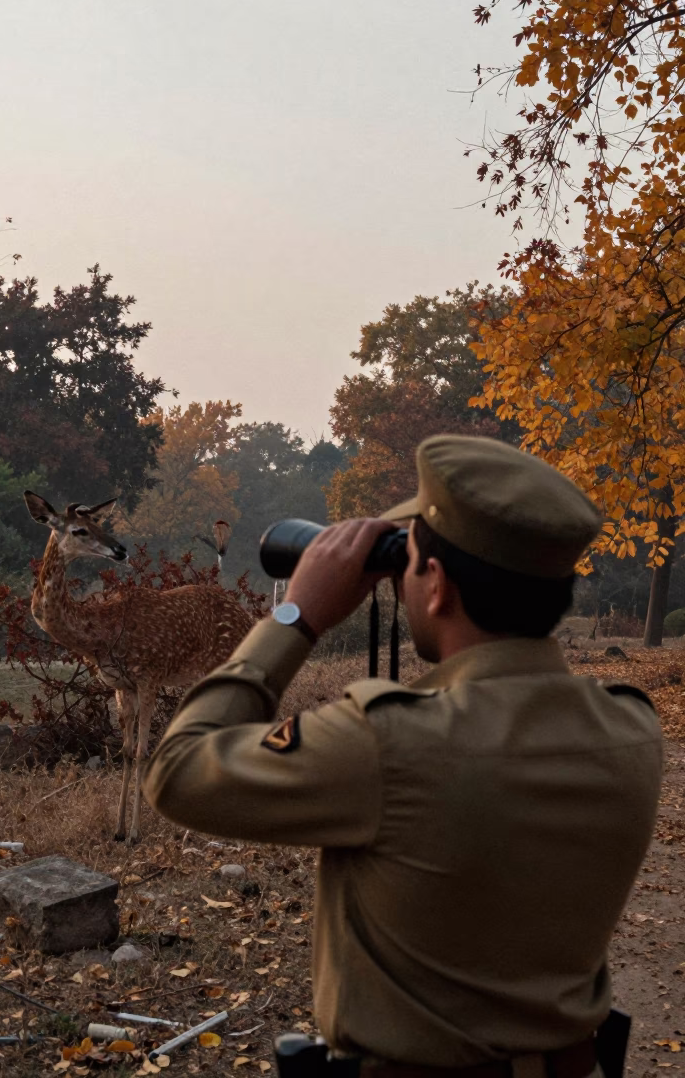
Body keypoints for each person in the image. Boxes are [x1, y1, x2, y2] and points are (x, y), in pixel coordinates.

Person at [143, 435, 663, 1077]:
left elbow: (178, 769)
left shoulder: (390, 743)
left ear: (438, 587)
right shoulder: (632, 729)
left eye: (409, 560)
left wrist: (295, 617)